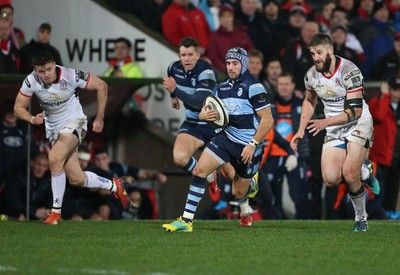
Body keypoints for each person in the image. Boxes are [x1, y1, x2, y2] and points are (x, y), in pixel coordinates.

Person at [162, 47, 274, 232]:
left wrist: (253, 145)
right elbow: (215, 114)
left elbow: (268, 119)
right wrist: (204, 116)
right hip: (226, 138)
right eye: (228, 63)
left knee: (238, 192)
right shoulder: (222, 87)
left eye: (235, 64)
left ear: (244, 64)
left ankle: (251, 185)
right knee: (199, 170)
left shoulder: (254, 86)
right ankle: (186, 221)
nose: (230, 67)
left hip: (247, 146)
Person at [13, 51, 130, 225]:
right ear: (35, 70)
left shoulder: (70, 75)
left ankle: (55, 214)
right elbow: (18, 108)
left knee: (53, 157)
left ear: (54, 64)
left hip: (75, 122)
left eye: (49, 69)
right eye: (41, 71)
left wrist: (100, 117)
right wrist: (31, 118)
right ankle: (115, 185)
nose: (46, 74)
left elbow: (102, 86)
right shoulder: (31, 80)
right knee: (76, 178)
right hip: (54, 129)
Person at [290, 33, 380, 232]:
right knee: (330, 179)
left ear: (330, 51)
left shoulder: (349, 71)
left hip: (358, 122)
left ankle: (361, 219)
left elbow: (355, 111)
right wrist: (300, 130)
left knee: (349, 173)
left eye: (319, 53)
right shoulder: (311, 75)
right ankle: (364, 170)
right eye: (312, 53)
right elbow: (309, 100)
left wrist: (325, 122)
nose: (315, 58)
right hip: (332, 125)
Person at [162, 37, 222, 203]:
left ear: (197, 55)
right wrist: (173, 96)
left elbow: (199, 102)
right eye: (183, 55)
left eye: (190, 54)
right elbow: (171, 80)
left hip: (215, 124)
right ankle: (209, 175)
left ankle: (246, 208)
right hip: (193, 124)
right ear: (179, 56)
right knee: (179, 158)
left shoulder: (206, 71)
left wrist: (176, 91)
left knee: (233, 175)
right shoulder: (173, 68)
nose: (186, 59)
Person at [264, 72, 310, 219]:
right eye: (280, 84)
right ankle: (275, 224)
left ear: (293, 86)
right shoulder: (268, 105)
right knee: (271, 195)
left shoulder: (302, 104)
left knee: (300, 195)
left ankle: (303, 225)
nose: (283, 87)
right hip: (272, 156)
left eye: (286, 84)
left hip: (296, 156)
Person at [92, 147, 167, 220]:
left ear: (109, 159)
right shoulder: (91, 172)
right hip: (102, 202)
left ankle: (127, 221)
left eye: (104, 158)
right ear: (93, 161)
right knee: (104, 210)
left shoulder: (118, 168)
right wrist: (104, 188)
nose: (101, 162)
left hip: (121, 201)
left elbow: (143, 173)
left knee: (136, 195)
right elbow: (87, 187)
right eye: (97, 159)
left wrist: (157, 175)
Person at [368, 75, 400, 214]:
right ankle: (376, 217)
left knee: (393, 192)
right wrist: (385, 96)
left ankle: (390, 218)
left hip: (396, 158)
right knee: (378, 193)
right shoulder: (377, 102)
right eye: (394, 89)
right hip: (380, 158)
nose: (397, 93)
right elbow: (379, 115)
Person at [3, 152, 52, 221]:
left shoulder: (48, 181)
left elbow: (50, 200)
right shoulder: (18, 177)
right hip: (13, 213)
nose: (40, 168)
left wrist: (46, 211)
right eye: (38, 164)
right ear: (31, 163)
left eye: (44, 166)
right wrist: (33, 211)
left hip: (34, 215)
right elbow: (12, 201)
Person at [206, 3, 254, 72]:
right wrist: (227, 69)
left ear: (233, 18)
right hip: (224, 73)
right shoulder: (214, 37)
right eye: (223, 17)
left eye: (229, 16)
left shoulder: (242, 34)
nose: (226, 19)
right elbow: (214, 58)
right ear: (220, 19)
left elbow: (250, 51)